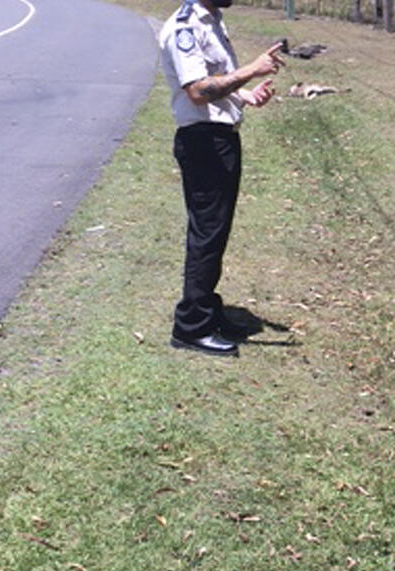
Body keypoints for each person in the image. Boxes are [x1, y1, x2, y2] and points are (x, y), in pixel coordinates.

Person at [159, 0, 284, 356]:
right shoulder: (185, 27)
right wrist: (251, 70)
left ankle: (208, 312)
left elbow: (216, 81)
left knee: (215, 232)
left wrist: (246, 95)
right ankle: (191, 327)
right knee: (206, 233)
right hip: (204, 143)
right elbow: (198, 91)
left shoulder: (212, 19)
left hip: (220, 138)